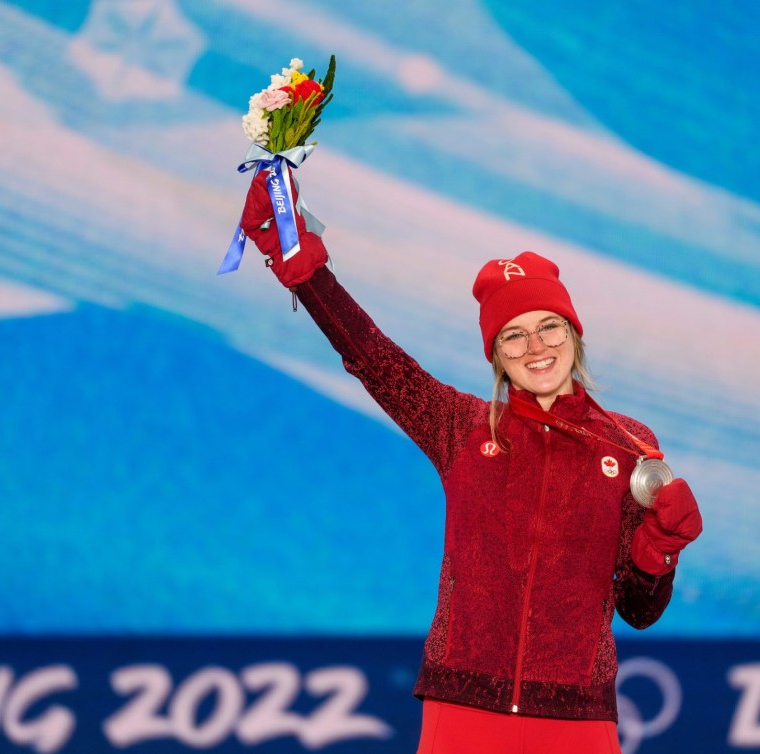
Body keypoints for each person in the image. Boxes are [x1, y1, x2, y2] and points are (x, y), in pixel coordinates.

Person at [239, 170, 703, 754]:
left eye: (548, 327)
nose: (536, 349)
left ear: (574, 335)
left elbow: (639, 610)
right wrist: (307, 272)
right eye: (513, 337)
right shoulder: (460, 426)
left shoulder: (630, 447)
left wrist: (659, 548)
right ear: (496, 356)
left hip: (578, 720)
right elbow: (376, 360)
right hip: (463, 711)